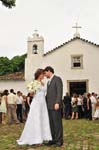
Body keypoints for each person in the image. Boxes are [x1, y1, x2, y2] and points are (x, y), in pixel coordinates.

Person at [17, 69, 52, 145]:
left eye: (43, 74)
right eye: (42, 74)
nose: (43, 76)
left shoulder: (43, 83)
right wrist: (32, 90)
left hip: (43, 103)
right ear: (39, 74)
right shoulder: (33, 83)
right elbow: (31, 94)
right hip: (37, 103)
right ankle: (36, 139)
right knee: (36, 120)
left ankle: (42, 138)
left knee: (43, 119)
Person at [44, 66, 63, 147]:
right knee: (51, 124)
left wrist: (57, 102)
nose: (45, 75)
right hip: (49, 106)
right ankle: (52, 139)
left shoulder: (57, 79)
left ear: (49, 71)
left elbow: (59, 91)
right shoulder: (48, 82)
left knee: (57, 123)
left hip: (55, 105)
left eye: (45, 73)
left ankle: (59, 140)